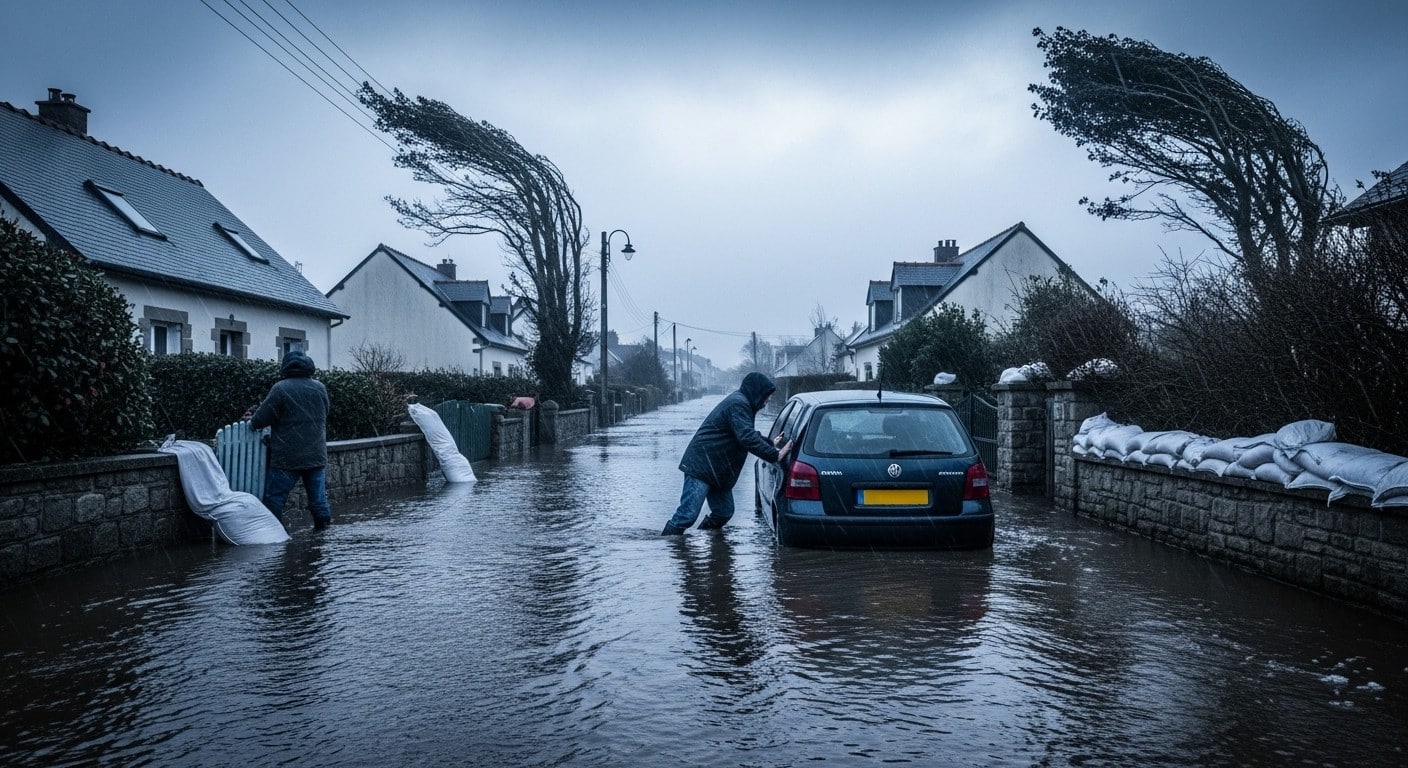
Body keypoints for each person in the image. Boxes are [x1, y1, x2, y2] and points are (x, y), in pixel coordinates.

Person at [661, 372, 793, 535]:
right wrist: (774, 455)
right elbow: (746, 437)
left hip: (718, 470)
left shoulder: (743, 404)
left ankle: (702, 538)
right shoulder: (738, 404)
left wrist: (770, 443)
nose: (769, 400)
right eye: (767, 395)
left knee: (724, 512)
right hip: (701, 467)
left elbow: (745, 432)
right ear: (757, 391)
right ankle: (666, 545)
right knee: (687, 515)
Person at [245, 350, 332, 530]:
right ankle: (323, 534)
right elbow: (326, 413)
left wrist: (251, 421)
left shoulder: (281, 388)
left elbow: (260, 420)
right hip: (316, 455)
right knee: (318, 500)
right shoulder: (320, 387)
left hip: (287, 456)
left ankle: (274, 535)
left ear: (286, 367)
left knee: (275, 499)